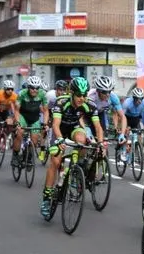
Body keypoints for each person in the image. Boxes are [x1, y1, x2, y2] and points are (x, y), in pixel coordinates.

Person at [40, 77, 103, 217]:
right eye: (79, 95)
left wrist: (100, 143)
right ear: (72, 93)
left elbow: (98, 127)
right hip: (59, 130)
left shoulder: (89, 104)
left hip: (74, 128)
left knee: (82, 141)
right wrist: (60, 139)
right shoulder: (61, 102)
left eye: (84, 95)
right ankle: (47, 197)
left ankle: (76, 170)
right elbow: (55, 124)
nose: (82, 98)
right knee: (55, 161)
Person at [13, 76, 49, 164]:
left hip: (35, 117)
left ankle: (28, 157)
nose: (34, 90)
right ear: (28, 87)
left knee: (35, 140)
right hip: (23, 116)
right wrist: (17, 123)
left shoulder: (43, 94)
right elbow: (17, 110)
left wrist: (45, 124)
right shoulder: (22, 93)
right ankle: (15, 155)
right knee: (19, 133)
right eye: (32, 88)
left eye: (37, 88)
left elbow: (45, 111)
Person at [87, 75, 125, 148]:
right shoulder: (90, 96)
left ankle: (102, 153)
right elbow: (81, 115)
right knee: (86, 139)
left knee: (102, 141)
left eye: (109, 91)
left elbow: (122, 116)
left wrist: (122, 134)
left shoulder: (113, 97)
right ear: (98, 91)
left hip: (100, 114)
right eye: (104, 92)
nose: (107, 94)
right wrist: (86, 129)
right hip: (88, 115)